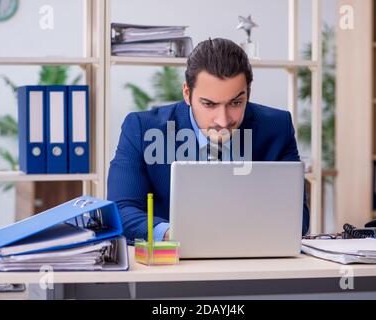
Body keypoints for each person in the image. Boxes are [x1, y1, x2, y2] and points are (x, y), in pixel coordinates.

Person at [107, 38, 309, 242]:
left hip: (253, 260)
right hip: (174, 263)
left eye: (236, 103)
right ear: (187, 93)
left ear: (249, 92)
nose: (223, 120)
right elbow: (121, 211)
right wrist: (175, 235)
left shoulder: (277, 127)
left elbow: (297, 219)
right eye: (209, 104)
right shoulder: (142, 130)